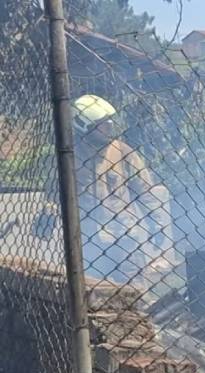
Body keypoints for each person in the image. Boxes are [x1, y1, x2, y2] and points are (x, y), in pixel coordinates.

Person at [72, 94, 174, 282]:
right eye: (103, 124)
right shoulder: (70, 156)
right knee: (93, 296)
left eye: (110, 123)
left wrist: (157, 224)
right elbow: (54, 195)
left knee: (133, 292)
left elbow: (145, 192)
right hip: (88, 241)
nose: (109, 128)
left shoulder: (122, 151)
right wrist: (49, 213)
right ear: (84, 125)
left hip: (124, 239)